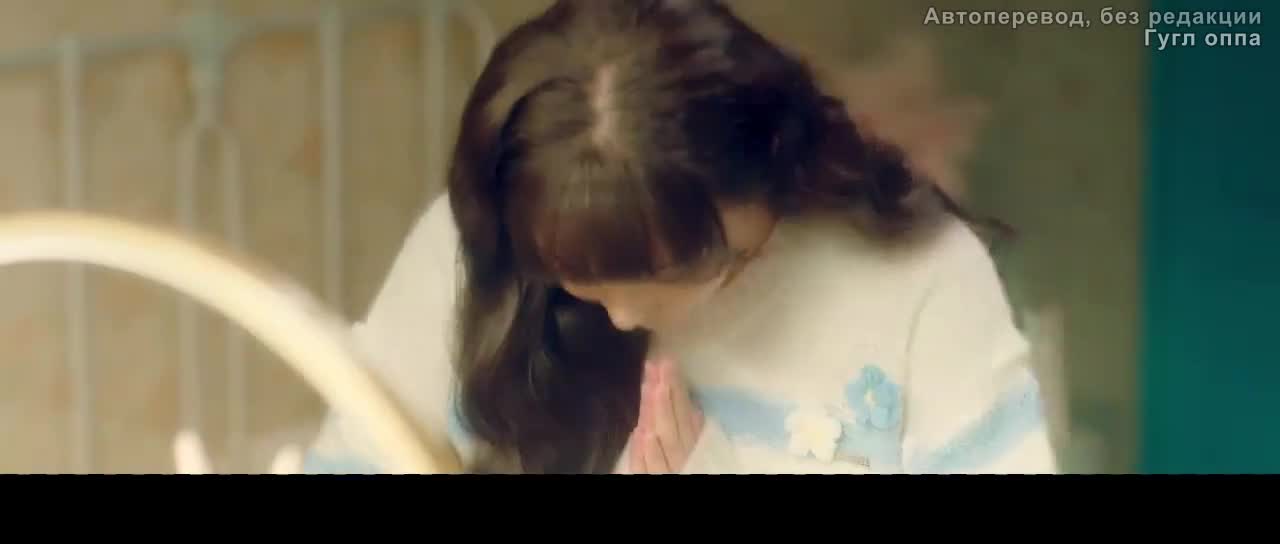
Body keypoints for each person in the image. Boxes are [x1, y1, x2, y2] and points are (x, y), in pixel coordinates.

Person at [302, 0, 1057, 474]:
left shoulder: (917, 281)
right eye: (579, 278)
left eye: (676, 270)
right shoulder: (488, 243)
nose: (623, 315)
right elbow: (355, 457)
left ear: (766, 164)